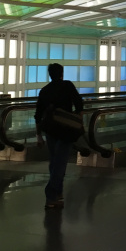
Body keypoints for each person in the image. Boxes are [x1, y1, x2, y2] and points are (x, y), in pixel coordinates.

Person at [35, 62, 84, 210]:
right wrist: (78, 121)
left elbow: (38, 115)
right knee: (60, 163)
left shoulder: (44, 91)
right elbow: (79, 104)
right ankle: (51, 196)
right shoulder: (67, 86)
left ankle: (58, 193)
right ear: (62, 73)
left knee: (55, 162)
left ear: (50, 75)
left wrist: (38, 136)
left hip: (50, 131)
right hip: (66, 130)